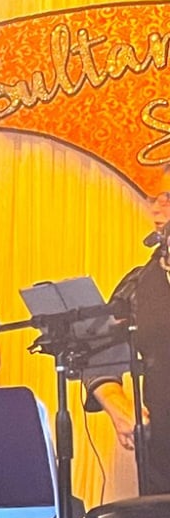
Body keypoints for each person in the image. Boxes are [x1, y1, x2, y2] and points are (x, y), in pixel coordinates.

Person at [92, 168, 170, 493]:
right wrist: (114, 401)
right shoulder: (139, 283)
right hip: (162, 463)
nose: (156, 207)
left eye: (168, 198)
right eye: (154, 198)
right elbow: (96, 354)